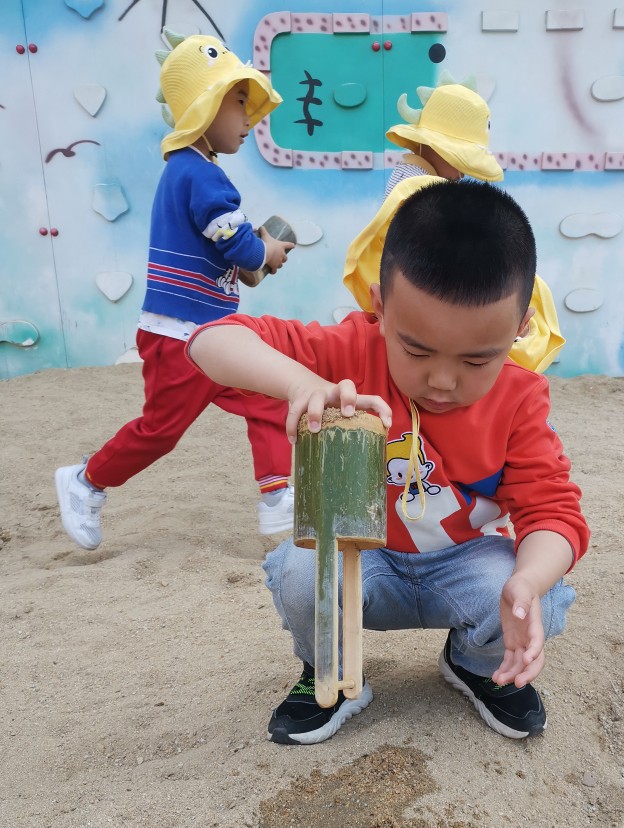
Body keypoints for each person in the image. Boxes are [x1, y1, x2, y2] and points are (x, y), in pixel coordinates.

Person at [187, 182, 590, 746]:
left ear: (520, 327)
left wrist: (528, 579)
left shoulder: (520, 398)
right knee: (301, 571)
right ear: (380, 307)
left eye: (477, 360)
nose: (442, 380)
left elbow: (552, 514)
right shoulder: (349, 351)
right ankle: (330, 671)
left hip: (464, 565)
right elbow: (210, 342)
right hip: (364, 560)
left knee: (535, 592)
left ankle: (476, 665)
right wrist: (304, 383)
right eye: (416, 350)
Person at [55, 33, 296, 550]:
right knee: (160, 431)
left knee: (267, 394)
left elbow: (224, 242)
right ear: (205, 106)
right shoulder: (202, 176)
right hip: (182, 336)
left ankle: (277, 495)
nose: (248, 118)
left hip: (211, 332)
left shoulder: (193, 171)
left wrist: (252, 251)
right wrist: (267, 251)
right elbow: (240, 247)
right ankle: (85, 481)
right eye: (238, 102)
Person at [355, 78, 565, 375]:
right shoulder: (419, 187)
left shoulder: (409, 175)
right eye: (459, 159)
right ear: (432, 146)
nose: (463, 172)